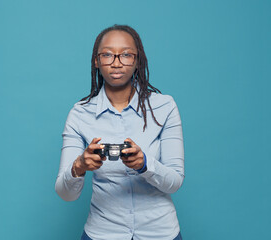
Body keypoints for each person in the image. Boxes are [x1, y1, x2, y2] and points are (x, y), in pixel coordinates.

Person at [55, 24, 184, 240]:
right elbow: (65, 194)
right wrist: (79, 166)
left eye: (126, 54)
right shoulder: (80, 114)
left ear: (137, 61)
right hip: (102, 233)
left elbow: (175, 182)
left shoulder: (164, 106)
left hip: (160, 233)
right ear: (96, 61)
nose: (116, 62)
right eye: (107, 54)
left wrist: (145, 165)